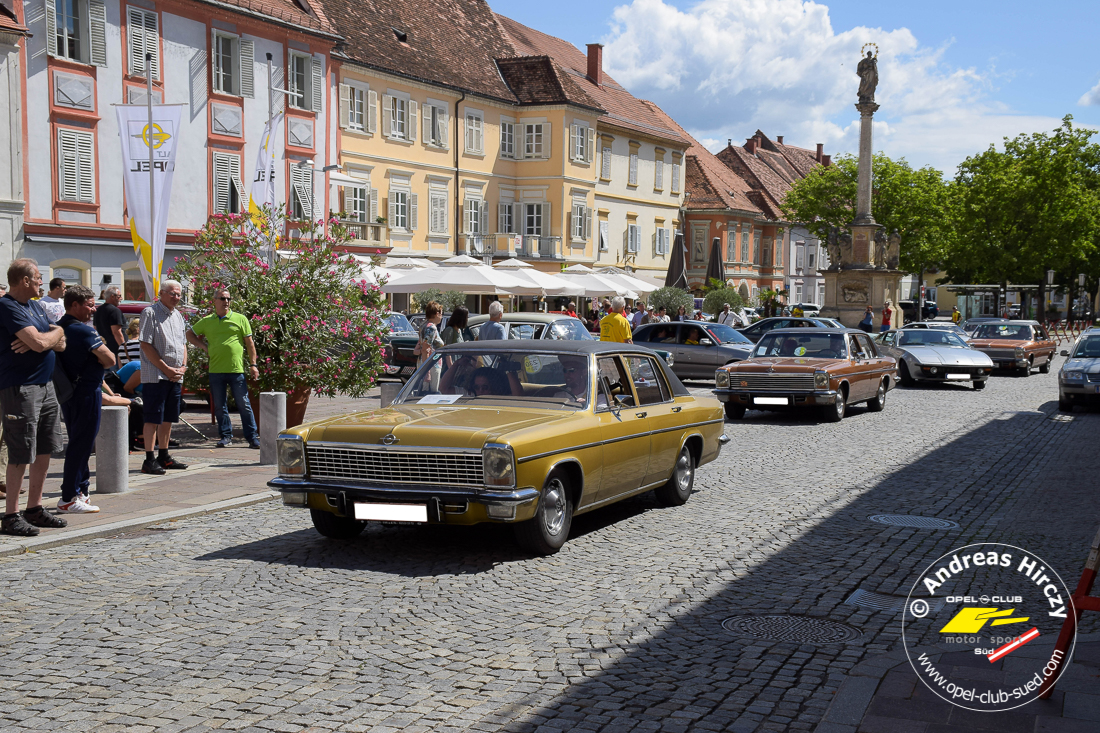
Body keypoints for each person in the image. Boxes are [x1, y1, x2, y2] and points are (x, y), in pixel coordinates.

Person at [0, 259, 68, 537]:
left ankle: (34, 509)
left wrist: (56, 332)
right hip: (21, 387)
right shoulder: (7, 306)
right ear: (25, 280)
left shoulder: (35, 307)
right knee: (21, 450)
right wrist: (45, 339)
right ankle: (11, 515)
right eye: (39, 277)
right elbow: (41, 343)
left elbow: (59, 342)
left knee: (45, 447)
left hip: (45, 384)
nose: (42, 282)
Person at [55, 286, 117, 513]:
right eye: (90, 305)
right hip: (86, 392)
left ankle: (81, 490)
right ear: (74, 305)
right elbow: (110, 360)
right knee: (81, 445)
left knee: (79, 442)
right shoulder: (83, 331)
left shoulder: (60, 327)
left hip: (69, 393)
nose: (94, 309)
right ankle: (69, 497)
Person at [186, 288, 260, 449]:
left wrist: (253, 365)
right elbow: (189, 334)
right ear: (215, 301)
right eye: (222, 298)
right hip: (216, 371)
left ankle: (252, 437)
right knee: (219, 405)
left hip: (236, 370)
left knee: (244, 404)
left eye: (228, 298)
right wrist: (204, 347)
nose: (226, 301)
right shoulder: (207, 321)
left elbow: (250, 344)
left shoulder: (240, 319)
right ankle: (225, 436)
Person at [139, 280, 189, 475]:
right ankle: (149, 459)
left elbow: (183, 344)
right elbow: (146, 344)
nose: (175, 297)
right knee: (153, 417)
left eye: (178, 294)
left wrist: (183, 367)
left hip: (175, 376)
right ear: (161, 293)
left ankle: (164, 455)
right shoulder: (150, 313)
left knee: (169, 417)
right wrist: (166, 368)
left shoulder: (178, 316)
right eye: (172, 294)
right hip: (156, 375)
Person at [416, 301, 445, 391]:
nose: (442, 316)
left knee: (424, 391)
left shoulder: (424, 325)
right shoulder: (431, 328)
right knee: (431, 393)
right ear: (437, 314)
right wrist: (427, 371)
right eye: (441, 313)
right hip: (432, 365)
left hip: (424, 363)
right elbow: (425, 349)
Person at [94, 285, 126, 356]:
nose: (121, 298)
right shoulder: (115, 311)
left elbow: (95, 329)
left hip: (104, 349)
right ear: (112, 296)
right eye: (119, 296)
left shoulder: (98, 310)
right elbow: (117, 332)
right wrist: (124, 349)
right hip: (116, 350)